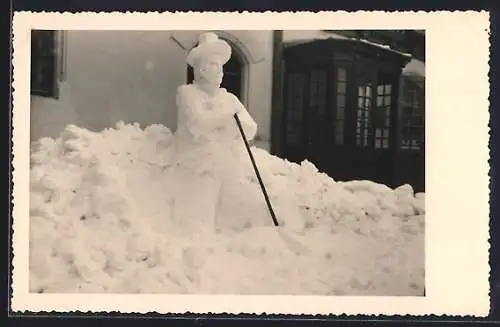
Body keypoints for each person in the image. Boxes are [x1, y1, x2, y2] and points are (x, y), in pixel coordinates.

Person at [168, 32, 259, 236]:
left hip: (227, 163)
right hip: (197, 164)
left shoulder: (230, 99)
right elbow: (198, 125)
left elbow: (250, 129)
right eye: (213, 65)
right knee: (201, 216)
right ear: (200, 69)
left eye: (221, 66)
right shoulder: (187, 93)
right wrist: (227, 120)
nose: (219, 72)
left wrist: (228, 122)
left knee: (239, 209)